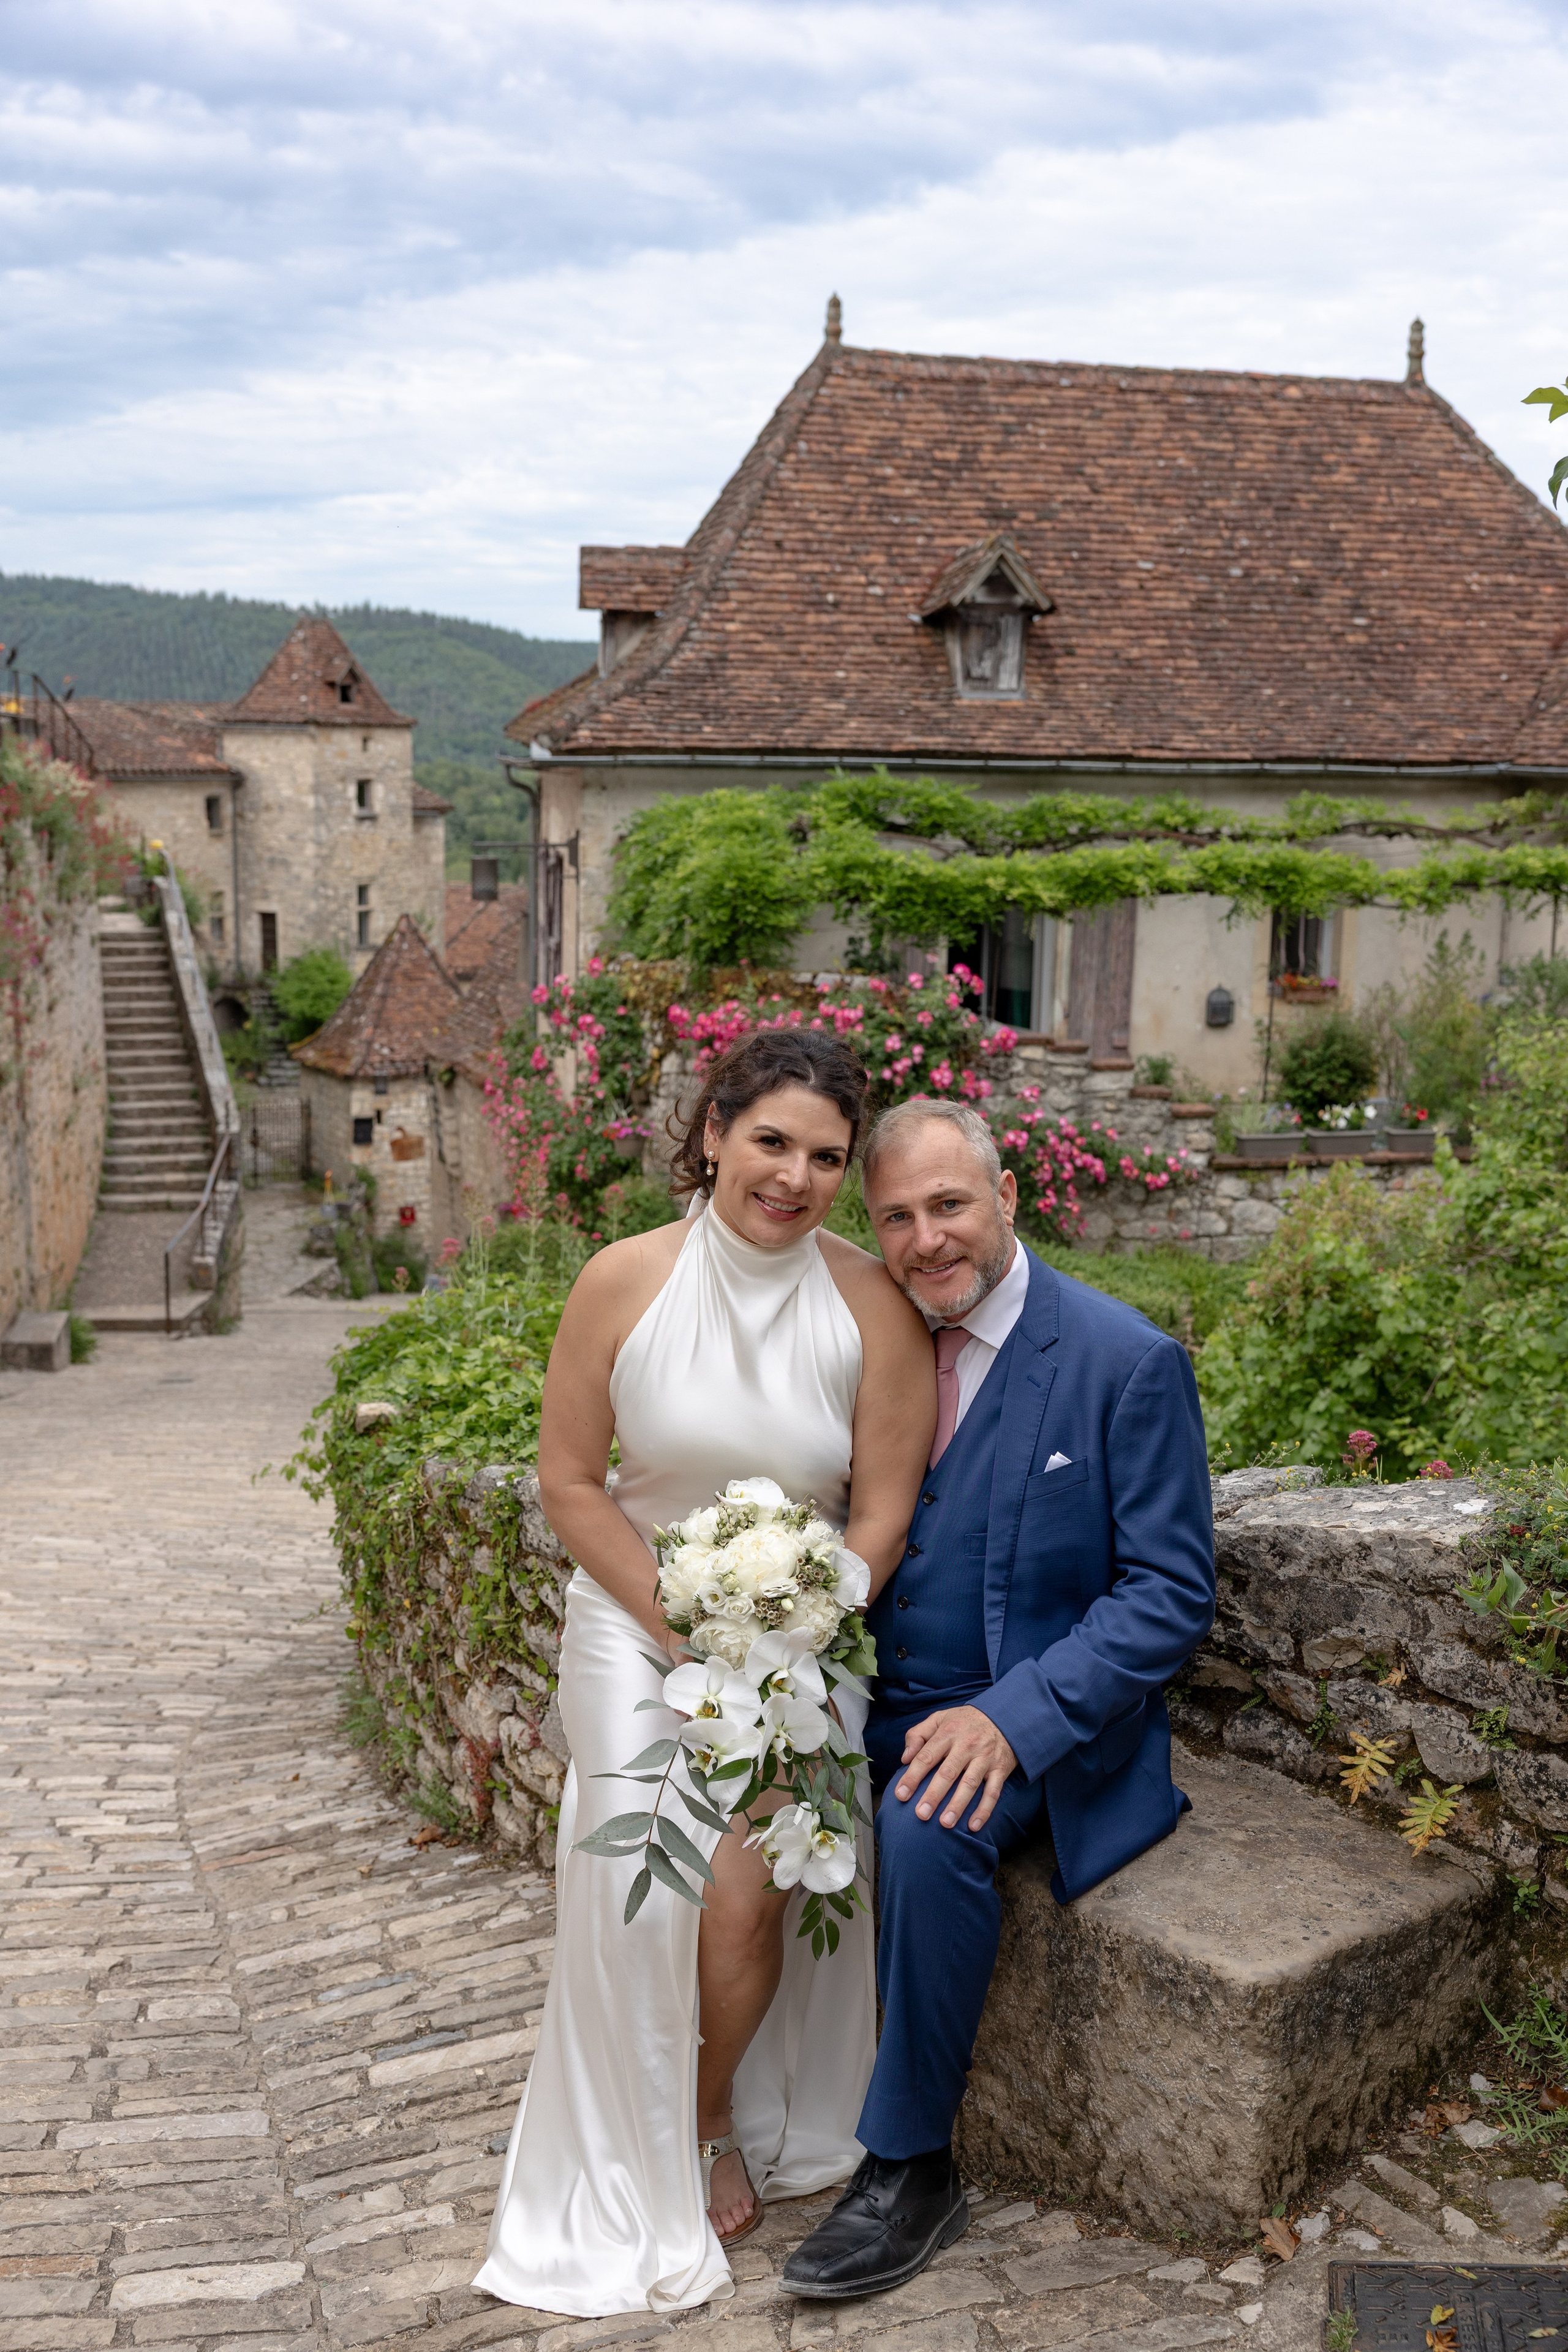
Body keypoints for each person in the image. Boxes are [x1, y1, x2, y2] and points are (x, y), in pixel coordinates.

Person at [473, 1031, 935, 2318]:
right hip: (633, 1622)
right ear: (716, 1131)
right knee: (634, 1873)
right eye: (770, 1141)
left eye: (825, 1157)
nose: (791, 1177)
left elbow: (879, 1517)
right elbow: (571, 1483)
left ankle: (708, 2111)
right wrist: (677, 1629)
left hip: (797, 1644)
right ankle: (621, 2148)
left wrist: (789, 1634)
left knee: (741, 1895)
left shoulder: (870, 1308)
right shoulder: (620, 1282)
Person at [782, 1097, 1215, 2301]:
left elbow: (1168, 1596)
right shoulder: (866, 1337)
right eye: (898, 1218)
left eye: (949, 1204)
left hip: (1035, 1724)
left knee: (923, 1830)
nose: (927, 1239)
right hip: (864, 1695)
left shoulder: (1122, 1362)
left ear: (1007, 1196)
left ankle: (911, 2165)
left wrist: (1014, 1717)